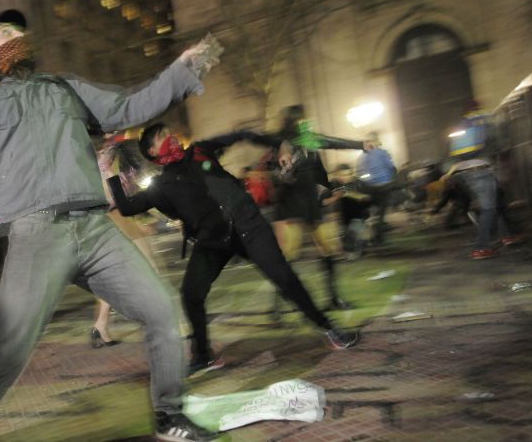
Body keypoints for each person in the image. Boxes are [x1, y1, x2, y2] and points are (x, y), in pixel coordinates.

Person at [0, 8, 222, 442]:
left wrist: (182, 70)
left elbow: (128, 106)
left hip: (92, 229)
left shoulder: (64, 87)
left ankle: (169, 416)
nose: (16, 35)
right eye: (4, 32)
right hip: (37, 233)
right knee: (9, 349)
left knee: (161, 311)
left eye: (20, 30)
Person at [102, 123, 360, 377]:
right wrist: (108, 170)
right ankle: (203, 355)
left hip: (249, 228)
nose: (170, 136)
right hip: (212, 242)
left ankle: (329, 328)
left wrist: (278, 145)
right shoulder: (161, 185)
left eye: (168, 132)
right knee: (191, 294)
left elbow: (240, 134)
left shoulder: (200, 151)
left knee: (284, 278)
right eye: (162, 137)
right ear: (153, 152)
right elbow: (126, 207)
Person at [273, 104, 364, 310]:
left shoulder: (310, 141)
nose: (306, 122)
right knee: (289, 256)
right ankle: (278, 305)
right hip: (292, 207)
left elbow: (334, 142)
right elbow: (277, 175)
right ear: (293, 122)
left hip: (313, 205)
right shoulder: (282, 143)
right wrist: (285, 167)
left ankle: (333, 299)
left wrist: (361, 144)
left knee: (328, 250)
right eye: (302, 120)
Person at [443, 100, 521, 259]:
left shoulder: (462, 124)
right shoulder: (485, 119)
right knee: (489, 208)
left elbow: (451, 153)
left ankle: (505, 235)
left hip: (463, 172)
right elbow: (498, 142)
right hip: (480, 170)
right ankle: (480, 247)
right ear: (478, 107)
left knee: (495, 202)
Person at [356, 131, 397, 246]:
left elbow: (359, 173)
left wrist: (368, 181)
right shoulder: (382, 153)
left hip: (369, 188)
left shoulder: (361, 157)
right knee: (381, 213)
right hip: (384, 186)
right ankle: (378, 239)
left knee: (373, 213)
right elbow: (390, 167)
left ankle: (370, 233)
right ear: (376, 142)